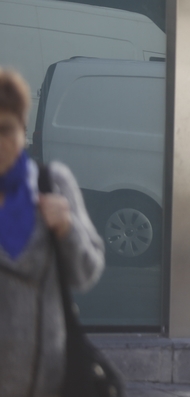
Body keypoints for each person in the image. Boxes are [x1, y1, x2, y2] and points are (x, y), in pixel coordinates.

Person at [0, 67, 104, 397]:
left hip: (51, 382)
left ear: (23, 130)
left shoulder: (51, 184)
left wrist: (66, 228)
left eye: (6, 129)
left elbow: (85, 274)